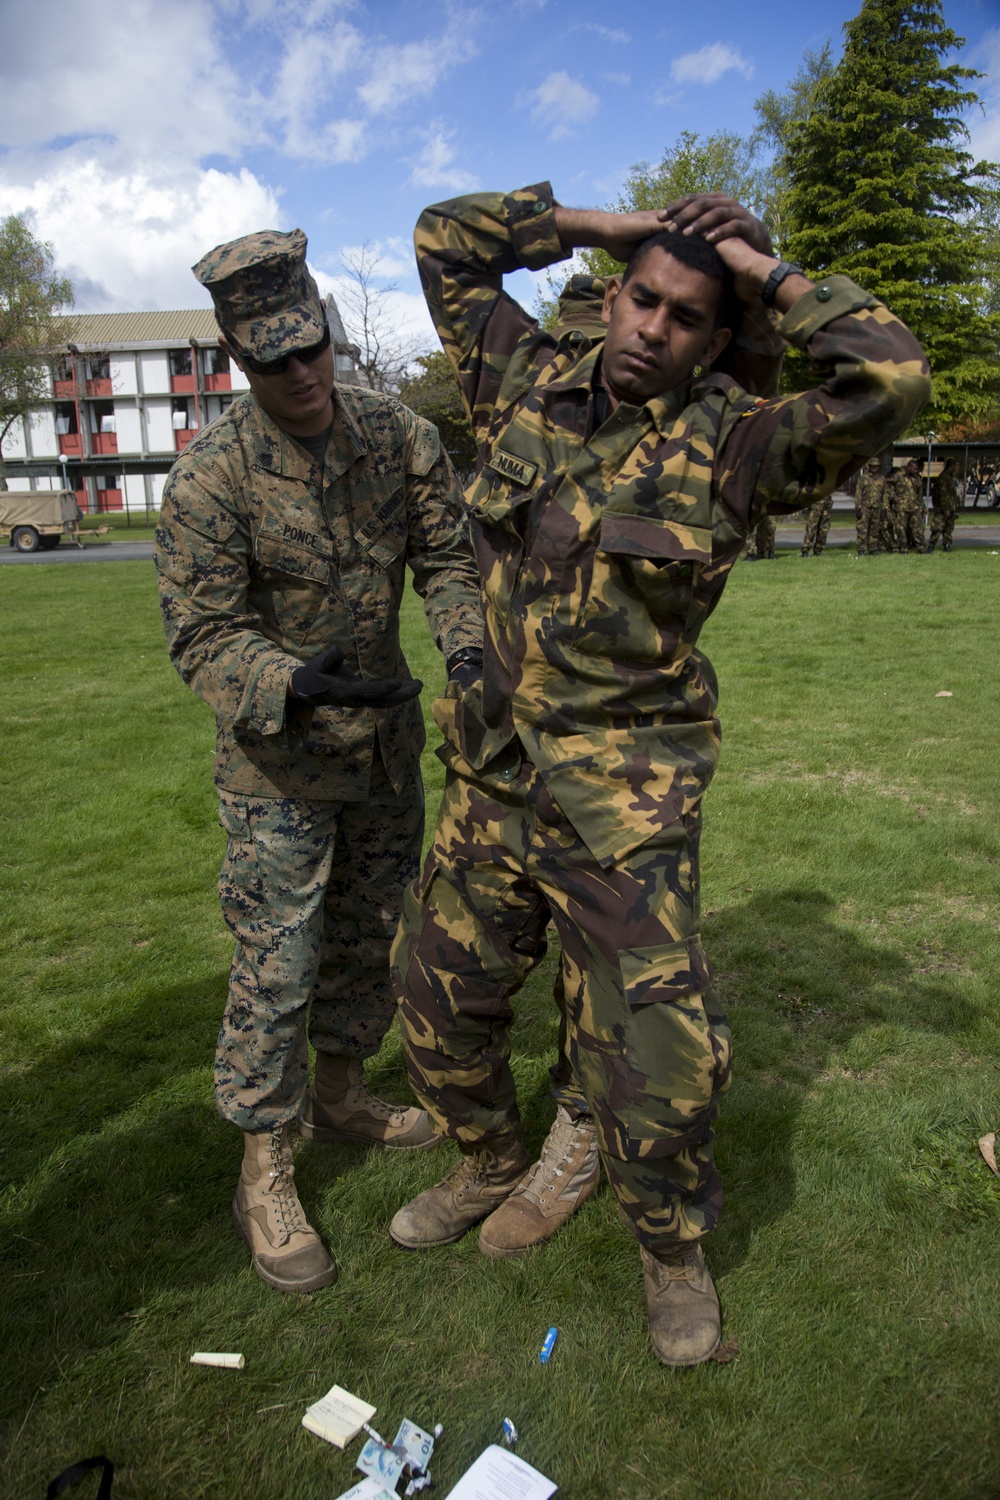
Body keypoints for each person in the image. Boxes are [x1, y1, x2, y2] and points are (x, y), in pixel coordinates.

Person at [387, 180, 930, 1366]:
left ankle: (669, 1248)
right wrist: (604, 228)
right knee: (434, 1011)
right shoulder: (521, 378)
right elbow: (445, 239)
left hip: (621, 808)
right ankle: (488, 1159)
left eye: (685, 316)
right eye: (641, 299)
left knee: (661, 1072)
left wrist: (767, 274)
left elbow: (888, 382)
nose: (649, 329)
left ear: (716, 333)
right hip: (491, 776)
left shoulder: (742, 444)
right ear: (618, 293)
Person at [154, 230, 484, 1294]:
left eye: (311, 350)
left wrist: (468, 652)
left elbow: (444, 558)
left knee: (361, 937)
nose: (300, 377)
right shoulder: (211, 477)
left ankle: (339, 1094)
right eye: (272, 361)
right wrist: (293, 681)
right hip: (277, 771)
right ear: (238, 361)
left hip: (383, 749)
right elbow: (199, 635)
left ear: (330, 334)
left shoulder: (399, 437)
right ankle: (264, 1166)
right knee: (277, 963)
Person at [888, 458, 925, 552]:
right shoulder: (899, 475)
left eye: (916, 469)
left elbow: (920, 494)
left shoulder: (917, 478)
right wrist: (893, 496)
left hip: (915, 506)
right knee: (901, 528)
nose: (916, 471)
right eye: (914, 469)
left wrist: (922, 506)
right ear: (908, 467)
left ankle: (921, 547)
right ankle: (903, 547)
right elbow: (888, 485)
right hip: (902, 507)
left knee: (918, 527)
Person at [927, 457, 961, 551]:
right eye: (955, 466)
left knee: (948, 528)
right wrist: (945, 509)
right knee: (937, 528)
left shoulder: (951, 478)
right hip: (943, 509)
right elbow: (943, 495)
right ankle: (931, 546)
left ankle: (947, 545)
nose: (955, 469)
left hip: (950, 508)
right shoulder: (943, 478)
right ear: (951, 466)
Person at [854, 457, 886, 555]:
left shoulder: (882, 479)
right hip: (865, 507)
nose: (875, 468)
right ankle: (861, 549)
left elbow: (884, 494)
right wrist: (858, 507)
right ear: (869, 466)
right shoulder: (863, 478)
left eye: (876, 466)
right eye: (873, 466)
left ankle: (873, 548)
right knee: (862, 528)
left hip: (877, 507)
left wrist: (885, 508)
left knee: (875, 529)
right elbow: (858, 493)